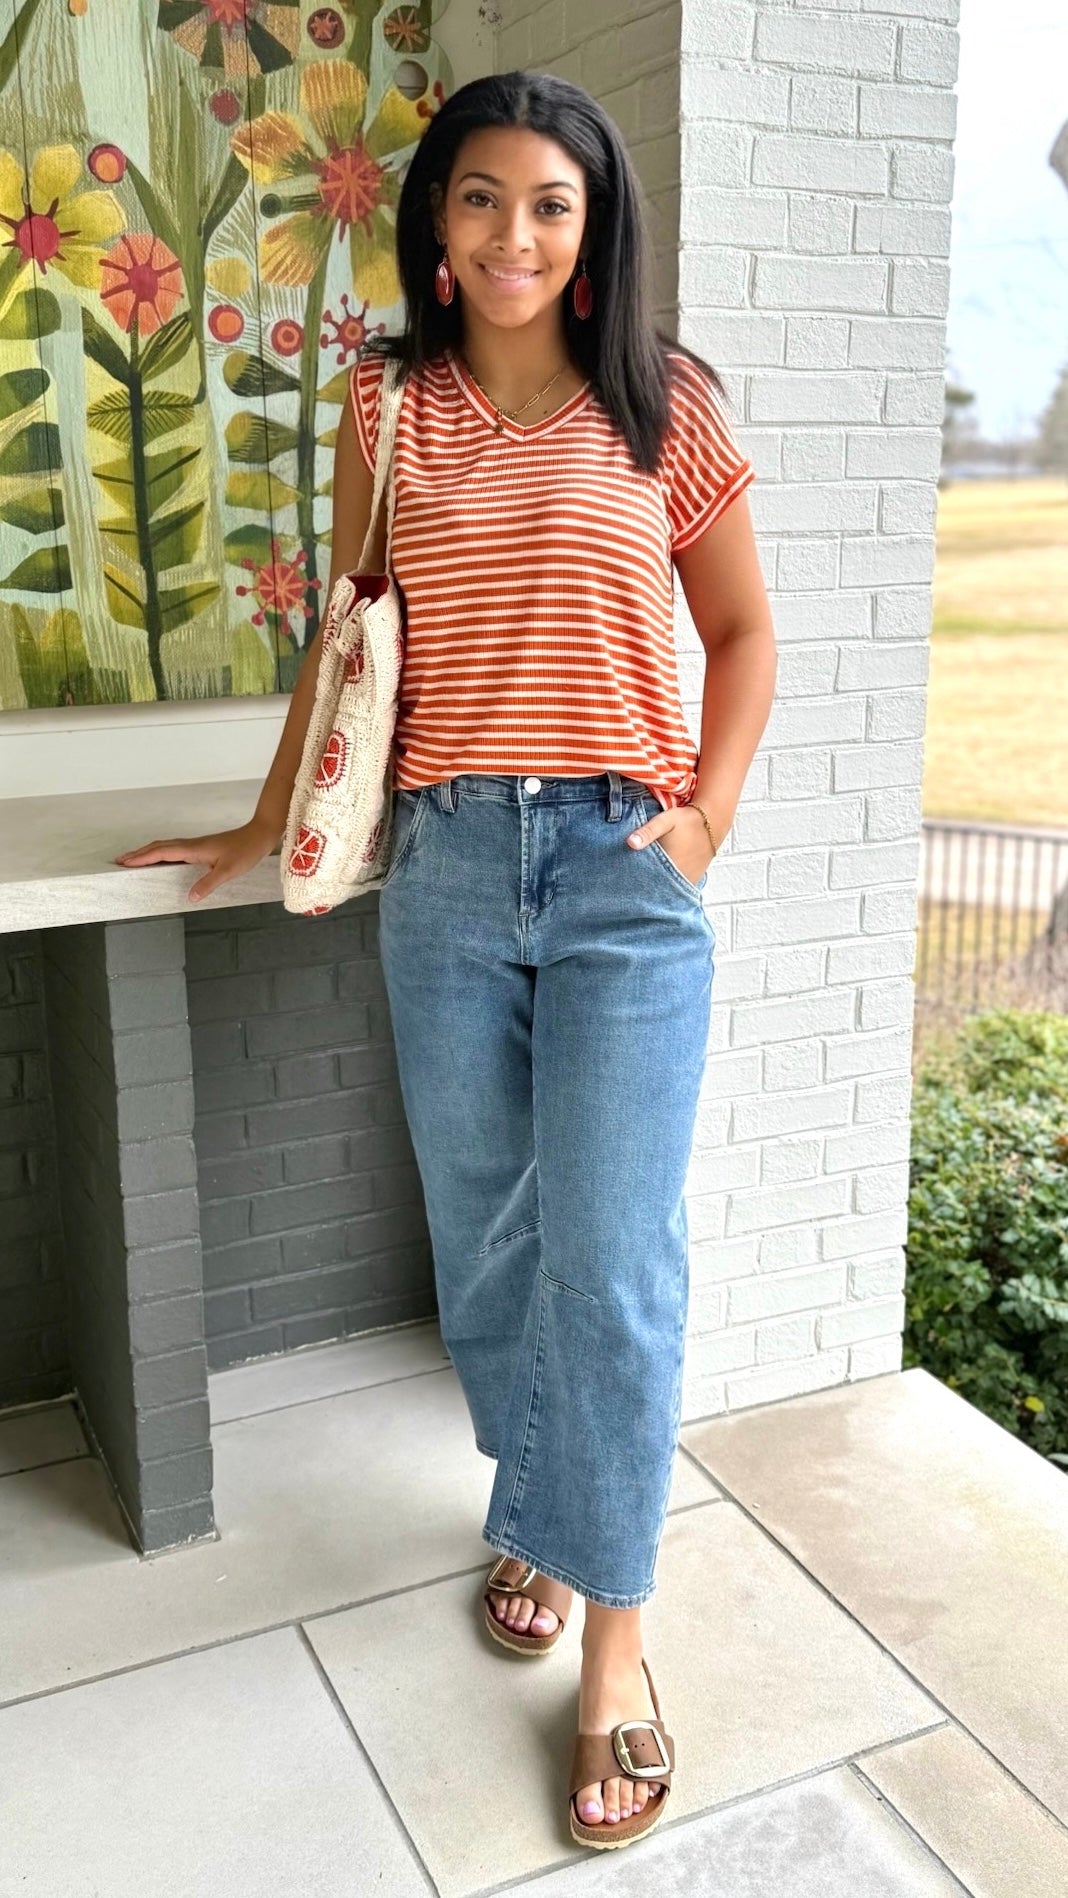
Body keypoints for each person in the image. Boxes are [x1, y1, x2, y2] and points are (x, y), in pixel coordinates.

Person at [116, 69, 777, 1852]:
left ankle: (615, 1635)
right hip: (450, 865)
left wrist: (703, 819)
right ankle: (541, 1511)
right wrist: (265, 821)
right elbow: (352, 639)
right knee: (487, 1234)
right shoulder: (390, 406)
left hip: (624, 869)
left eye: (550, 202)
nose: (513, 234)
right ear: (434, 222)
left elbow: (740, 631)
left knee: (612, 1254)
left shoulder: (664, 405)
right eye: (480, 198)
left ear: (593, 226)